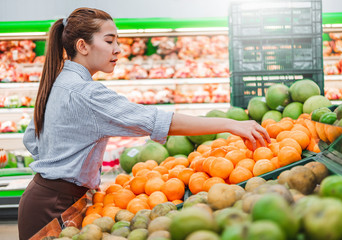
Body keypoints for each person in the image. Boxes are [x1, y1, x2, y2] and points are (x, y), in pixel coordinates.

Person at [18, 7, 270, 240]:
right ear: (83, 46)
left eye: (117, 41)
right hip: (55, 206)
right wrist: (229, 124)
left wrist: (64, 164)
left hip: (43, 196)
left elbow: (31, 139)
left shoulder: (58, 81)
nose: (118, 49)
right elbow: (156, 122)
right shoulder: (87, 93)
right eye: (109, 41)